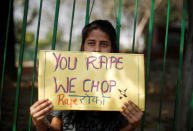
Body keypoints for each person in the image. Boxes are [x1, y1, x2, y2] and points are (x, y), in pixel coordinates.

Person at [30, 20, 143, 131]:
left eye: (104, 44)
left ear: (112, 49)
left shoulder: (123, 86)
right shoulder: (65, 80)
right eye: (91, 43)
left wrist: (132, 125)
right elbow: (55, 128)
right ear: (83, 47)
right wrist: (39, 123)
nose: (97, 49)